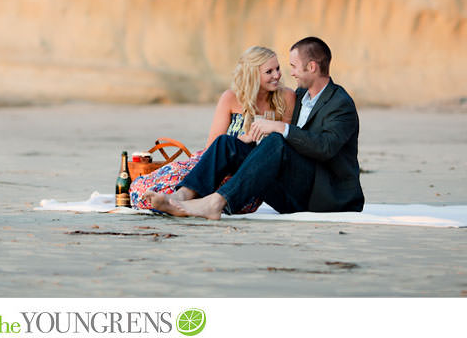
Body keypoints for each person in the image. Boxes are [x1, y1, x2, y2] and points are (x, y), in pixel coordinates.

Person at [147, 36, 364, 220]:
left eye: (293, 67)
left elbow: (325, 147)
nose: (289, 73)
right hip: (291, 191)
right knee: (226, 144)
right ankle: (182, 195)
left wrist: (279, 127)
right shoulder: (299, 96)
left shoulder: (340, 103)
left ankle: (216, 202)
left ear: (312, 67)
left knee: (276, 139)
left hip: (326, 197)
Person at [129, 46, 296, 211]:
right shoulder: (231, 97)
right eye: (269, 71)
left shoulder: (286, 97)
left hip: (254, 170)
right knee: (144, 188)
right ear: (252, 74)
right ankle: (180, 198)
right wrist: (241, 140)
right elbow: (212, 147)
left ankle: (183, 200)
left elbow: (287, 142)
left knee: (219, 182)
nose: (277, 75)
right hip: (218, 164)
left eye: (278, 69)